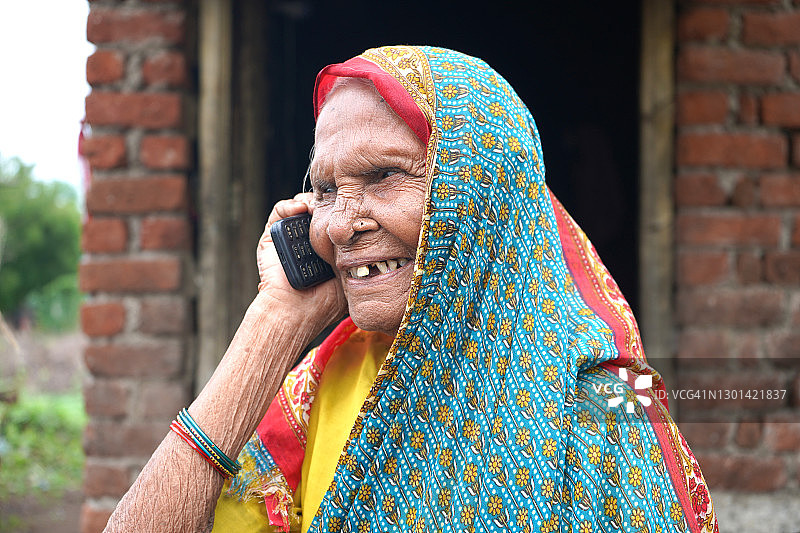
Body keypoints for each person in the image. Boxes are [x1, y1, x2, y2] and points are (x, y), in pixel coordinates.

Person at [104, 46, 718, 533]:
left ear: (482, 192)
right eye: (324, 189)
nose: (342, 223)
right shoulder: (318, 389)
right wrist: (272, 321)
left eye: (385, 176)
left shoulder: (603, 401)